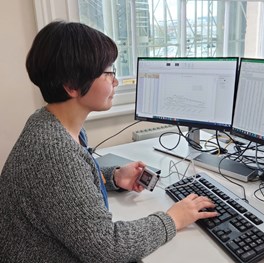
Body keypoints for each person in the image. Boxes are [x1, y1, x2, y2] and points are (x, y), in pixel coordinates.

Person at [0, 20, 218, 262]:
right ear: (72, 85)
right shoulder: (55, 152)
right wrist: (173, 218)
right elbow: (107, 248)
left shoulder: (49, 121)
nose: (115, 81)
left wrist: (111, 177)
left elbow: (61, 190)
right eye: (108, 72)